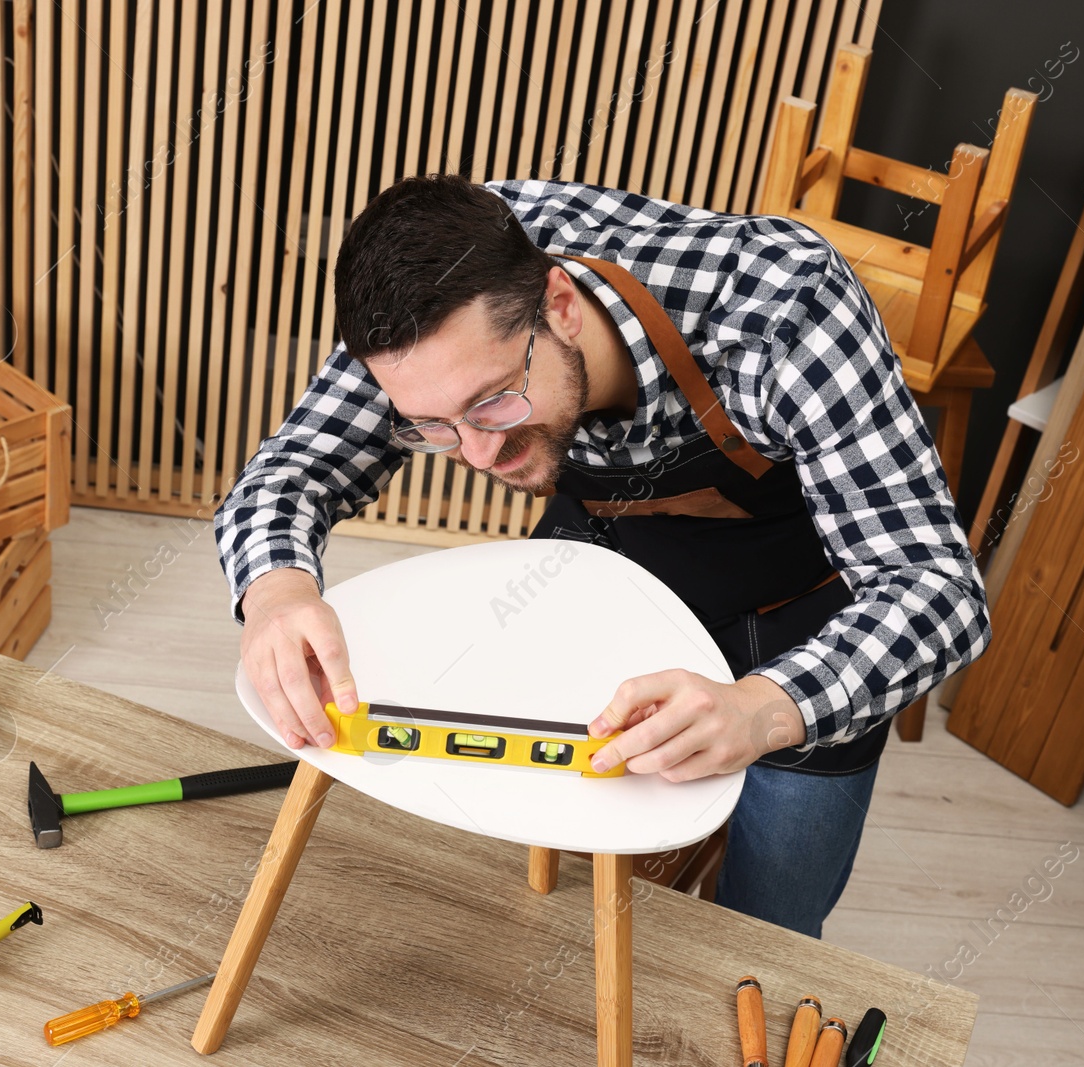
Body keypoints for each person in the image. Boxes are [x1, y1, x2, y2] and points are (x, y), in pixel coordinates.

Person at [215, 175, 990, 938]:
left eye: (494, 401)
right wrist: (277, 596)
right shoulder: (428, 301)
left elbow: (940, 590)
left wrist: (758, 710)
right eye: (433, 426)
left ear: (559, 305)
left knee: (772, 923)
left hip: (803, 621)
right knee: (549, 858)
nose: (479, 453)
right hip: (602, 571)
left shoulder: (779, 310)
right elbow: (289, 475)